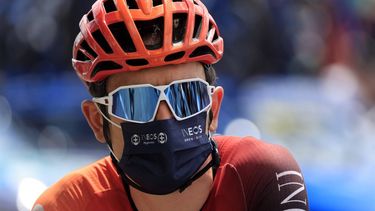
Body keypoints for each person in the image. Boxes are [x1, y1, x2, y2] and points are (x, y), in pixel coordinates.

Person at [32, 0, 309, 210]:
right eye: (135, 101)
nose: (165, 119)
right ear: (97, 121)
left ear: (213, 108)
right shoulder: (65, 205)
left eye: (186, 96)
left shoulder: (262, 174)